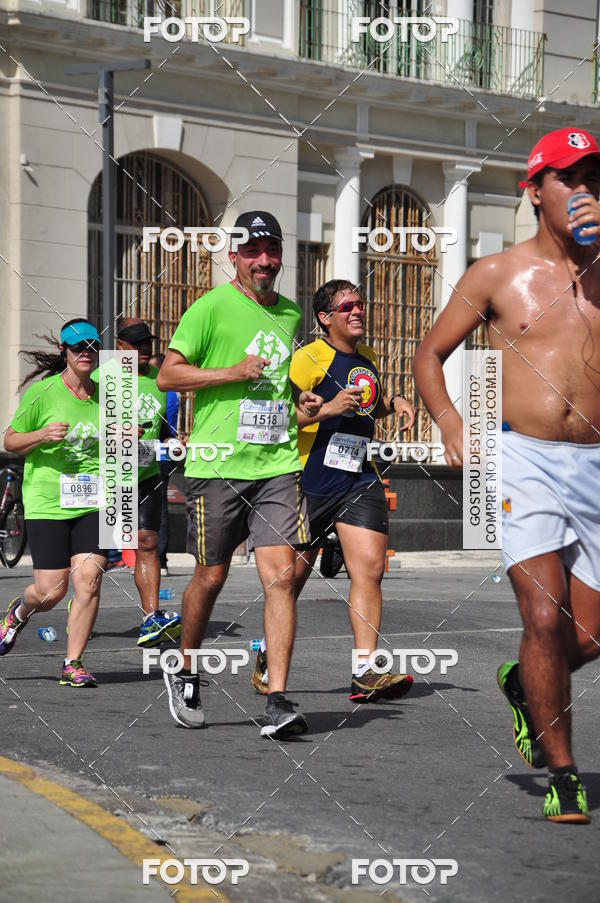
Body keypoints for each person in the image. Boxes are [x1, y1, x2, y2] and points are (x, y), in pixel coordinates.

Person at [413, 127, 600, 823]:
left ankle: (526, 683)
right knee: (543, 615)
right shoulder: (496, 273)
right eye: (570, 179)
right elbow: (429, 353)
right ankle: (564, 773)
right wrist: (452, 421)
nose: (585, 192)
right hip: (526, 458)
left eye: (594, 180)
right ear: (536, 189)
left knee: (586, 635)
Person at [157, 210, 322, 737]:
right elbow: (168, 372)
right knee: (212, 575)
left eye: (271, 251)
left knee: (282, 576)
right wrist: (229, 372)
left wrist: (303, 400)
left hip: (275, 464)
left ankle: (277, 698)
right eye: (253, 252)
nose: (264, 261)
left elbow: (273, 387)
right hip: (216, 465)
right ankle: (185, 670)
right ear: (235, 256)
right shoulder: (210, 308)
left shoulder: (291, 313)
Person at [250, 280, 416, 703]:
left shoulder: (369, 357)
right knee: (291, 578)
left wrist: (393, 401)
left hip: (360, 477)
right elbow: (277, 419)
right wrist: (326, 410)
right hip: (309, 480)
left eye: (360, 304)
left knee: (370, 570)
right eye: (347, 307)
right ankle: (268, 654)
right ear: (325, 318)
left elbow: (368, 403)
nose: (357, 311)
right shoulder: (308, 359)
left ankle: (365, 670)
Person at [0, 319, 107, 687]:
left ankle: (73, 663)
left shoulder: (109, 394)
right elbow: (10, 441)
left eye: (92, 346)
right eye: (77, 347)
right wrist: (41, 435)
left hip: (95, 499)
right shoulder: (43, 393)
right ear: (64, 351)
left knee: (89, 580)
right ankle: (18, 612)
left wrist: (130, 434)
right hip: (48, 499)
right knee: (50, 591)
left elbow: (128, 445)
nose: (85, 353)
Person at [93, 320, 181, 648]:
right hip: (105, 478)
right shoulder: (100, 379)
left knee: (146, 543)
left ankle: (151, 617)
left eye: (148, 342)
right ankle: (83, 604)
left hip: (144, 475)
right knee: (96, 558)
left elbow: (165, 430)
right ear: (120, 345)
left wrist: (176, 439)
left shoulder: (159, 382)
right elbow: (80, 425)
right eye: (136, 343)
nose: (145, 348)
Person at [149, 351, 179, 577]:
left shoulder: (163, 392)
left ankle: (158, 559)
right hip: (158, 454)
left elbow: (159, 423)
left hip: (157, 455)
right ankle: (156, 558)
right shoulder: (170, 393)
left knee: (157, 508)